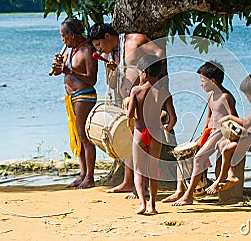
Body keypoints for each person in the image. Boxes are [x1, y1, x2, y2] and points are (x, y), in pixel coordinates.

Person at [87, 23, 165, 197]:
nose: (99, 49)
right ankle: (128, 182)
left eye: (99, 45)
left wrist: (148, 77)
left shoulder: (135, 40)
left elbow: (159, 52)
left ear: (107, 36)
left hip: (142, 100)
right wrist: (111, 70)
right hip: (124, 100)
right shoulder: (108, 55)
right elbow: (111, 84)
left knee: (142, 143)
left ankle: (142, 185)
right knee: (128, 141)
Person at [171, 61, 238, 206]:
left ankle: (189, 196)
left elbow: (234, 118)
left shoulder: (225, 97)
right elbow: (209, 117)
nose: (201, 84)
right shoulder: (211, 95)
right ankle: (179, 190)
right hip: (210, 132)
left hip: (221, 133)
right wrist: (202, 135)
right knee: (183, 153)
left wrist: (228, 137)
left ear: (212, 81)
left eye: (202, 81)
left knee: (198, 158)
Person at [206, 74, 251, 194]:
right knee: (222, 143)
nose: (247, 99)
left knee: (227, 149)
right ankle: (231, 176)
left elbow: (247, 123)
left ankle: (220, 179)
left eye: (247, 95)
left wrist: (229, 117)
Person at [126, 54, 177, 214]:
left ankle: (142, 203)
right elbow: (173, 118)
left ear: (144, 73)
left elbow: (129, 115)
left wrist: (132, 124)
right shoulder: (163, 92)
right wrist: (166, 129)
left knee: (139, 170)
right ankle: (152, 205)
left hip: (141, 132)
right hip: (156, 133)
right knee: (153, 170)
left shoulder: (136, 90)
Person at [51, 18, 98, 189]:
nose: (62, 39)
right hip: (72, 98)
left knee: (85, 137)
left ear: (73, 35)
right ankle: (83, 174)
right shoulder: (69, 51)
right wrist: (58, 68)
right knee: (78, 137)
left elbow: (91, 79)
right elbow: (60, 72)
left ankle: (90, 177)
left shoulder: (87, 50)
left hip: (84, 96)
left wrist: (68, 71)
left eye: (64, 36)